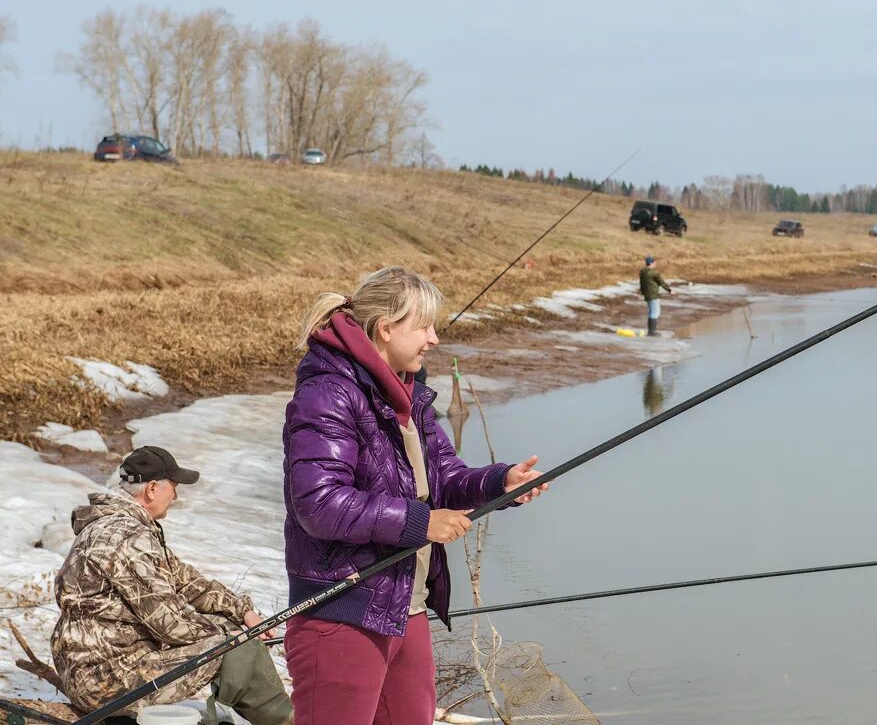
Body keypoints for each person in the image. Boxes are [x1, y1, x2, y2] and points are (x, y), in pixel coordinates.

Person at [283, 266, 549, 725]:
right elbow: (318, 503)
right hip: (342, 610)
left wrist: (498, 484)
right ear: (386, 329)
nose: (433, 339)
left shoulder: (407, 393)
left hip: (405, 605)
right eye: (423, 326)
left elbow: (442, 476)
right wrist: (420, 523)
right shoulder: (328, 392)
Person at [51, 447, 291, 724]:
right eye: (173, 487)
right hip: (104, 679)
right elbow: (171, 624)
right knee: (236, 647)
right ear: (152, 488)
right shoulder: (125, 537)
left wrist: (241, 611)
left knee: (234, 638)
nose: (175, 496)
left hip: (98, 668)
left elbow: (185, 580)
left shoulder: (121, 526)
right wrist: (233, 634)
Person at [639, 255, 673, 336]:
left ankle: (650, 331)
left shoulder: (642, 272)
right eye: (654, 262)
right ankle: (651, 332)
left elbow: (642, 284)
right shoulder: (654, 273)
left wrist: (643, 292)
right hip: (653, 294)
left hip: (647, 294)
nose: (655, 263)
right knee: (655, 312)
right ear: (651, 263)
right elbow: (661, 282)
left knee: (651, 312)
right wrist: (669, 290)